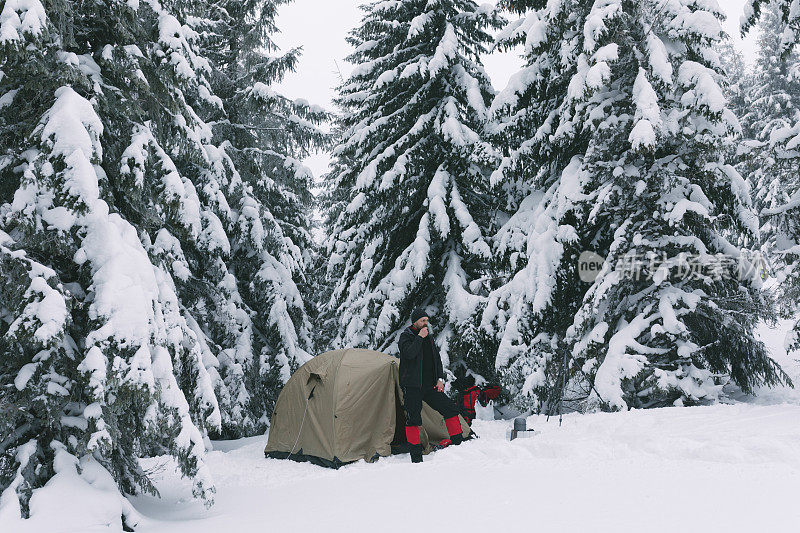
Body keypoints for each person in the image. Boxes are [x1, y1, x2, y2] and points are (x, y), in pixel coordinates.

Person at [397, 308, 464, 463]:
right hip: (412, 386)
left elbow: (436, 359)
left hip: (430, 385)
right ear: (415, 322)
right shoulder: (406, 336)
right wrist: (419, 338)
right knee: (413, 419)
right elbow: (409, 354)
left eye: (427, 320)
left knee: (449, 408)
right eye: (423, 320)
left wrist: (439, 378)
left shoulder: (429, 337)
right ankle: (416, 458)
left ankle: (458, 446)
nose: (426, 323)